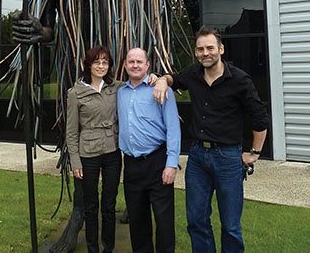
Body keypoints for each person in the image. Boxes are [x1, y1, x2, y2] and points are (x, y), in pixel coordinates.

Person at [153, 26, 269, 253]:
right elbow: (173, 78)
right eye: (200, 49)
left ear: (221, 49)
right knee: (196, 221)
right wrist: (161, 81)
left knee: (231, 226)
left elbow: (260, 118)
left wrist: (254, 153)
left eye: (210, 48)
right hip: (197, 158)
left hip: (228, 158)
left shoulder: (239, 79)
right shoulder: (193, 75)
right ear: (196, 53)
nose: (205, 53)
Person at [118, 47, 181, 253]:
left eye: (139, 61)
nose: (135, 65)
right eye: (131, 62)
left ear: (147, 65)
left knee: (163, 221)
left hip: (157, 162)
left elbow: (173, 129)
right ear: (125, 65)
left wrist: (171, 164)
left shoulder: (162, 89)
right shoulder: (120, 93)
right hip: (131, 165)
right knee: (137, 221)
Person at [66, 45, 123, 253]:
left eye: (105, 62)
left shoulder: (117, 87)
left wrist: (158, 79)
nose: (101, 66)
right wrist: (75, 161)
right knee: (91, 206)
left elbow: (139, 84)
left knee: (109, 205)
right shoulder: (76, 93)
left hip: (112, 152)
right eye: (97, 62)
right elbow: (71, 131)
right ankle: (93, 249)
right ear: (88, 65)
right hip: (87, 154)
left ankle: (108, 248)